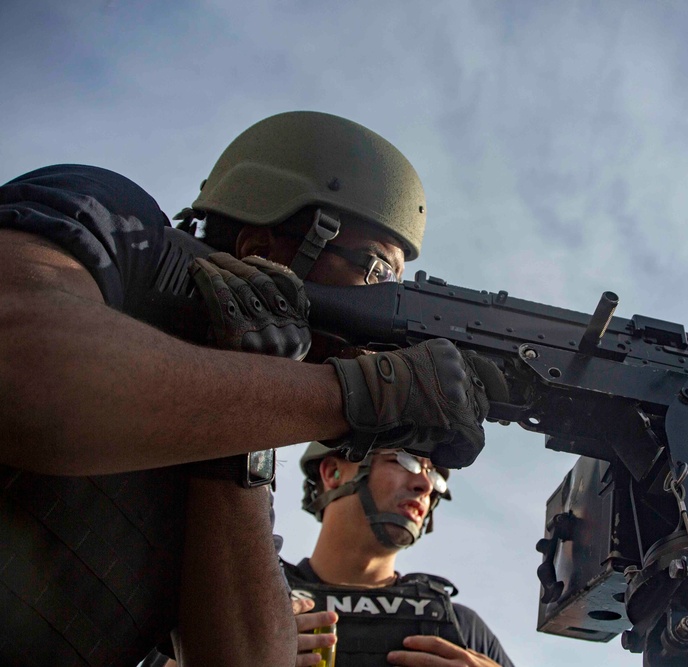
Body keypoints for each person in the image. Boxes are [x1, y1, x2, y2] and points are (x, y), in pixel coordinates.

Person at [0, 111, 496, 666]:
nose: (387, 312)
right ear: (264, 246)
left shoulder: (234, 418)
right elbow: (20, 362)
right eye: (377, 271)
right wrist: (359, 395)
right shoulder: (117, 223)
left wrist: (242, 431)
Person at [289, 441, 514, 667]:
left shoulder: (460, 629)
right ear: (333, 473)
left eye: (434, 475)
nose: (425, 485)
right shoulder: (265, 607)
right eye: (404, 460)